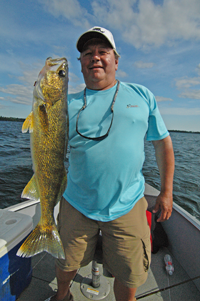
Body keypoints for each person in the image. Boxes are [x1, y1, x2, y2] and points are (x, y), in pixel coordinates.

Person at [46, 26, 174, 301]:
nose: (95, 57)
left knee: (129, 275)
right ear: (80, 63)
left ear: (116, 59)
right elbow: (46, 144)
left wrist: (166, 192)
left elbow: (162, 144)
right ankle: (62, 296)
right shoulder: (64, 105)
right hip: (76, 203)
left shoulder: (142, 96)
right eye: (88, 53)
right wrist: (42, 105)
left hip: (127, 205)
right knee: (65, 264)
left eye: (103, 51)